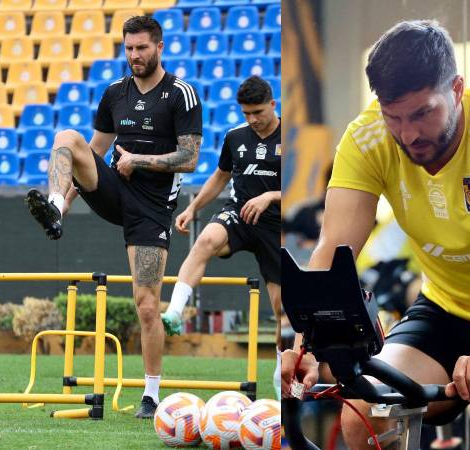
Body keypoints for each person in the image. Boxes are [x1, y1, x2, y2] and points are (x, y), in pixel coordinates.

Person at [281, 20, 470, 450]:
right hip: (447, 310)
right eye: (394, 116)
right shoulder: (367, 139)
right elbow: (333, 249)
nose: (408, 134)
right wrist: (309, 345)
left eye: (423, 113)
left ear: (457, 89)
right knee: (367, 415)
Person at [25, 16, 202, 419]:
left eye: (141, 48)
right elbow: (97, 150)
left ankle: (151, 394)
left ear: (159, 47)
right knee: (67, 139)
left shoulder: (181, 94)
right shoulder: (114, 93)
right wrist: (67, 202)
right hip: (112, 190)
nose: (134, 56)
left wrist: (140, 159)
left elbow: (190, 159)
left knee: (145, 304)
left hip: (152, 208)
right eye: (128, 48)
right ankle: (53, 206)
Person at [160, 75, 282, 398]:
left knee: (283, 309)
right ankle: (174, 312)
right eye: (246, 114)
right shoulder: (235, 137)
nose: (252, 120)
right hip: (239, 214)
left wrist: (271, 197)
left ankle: (282, 371)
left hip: (276, 226)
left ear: (273, 104)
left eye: (258, 112)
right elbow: (220, 176)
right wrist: (194, 209)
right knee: (205, 241)